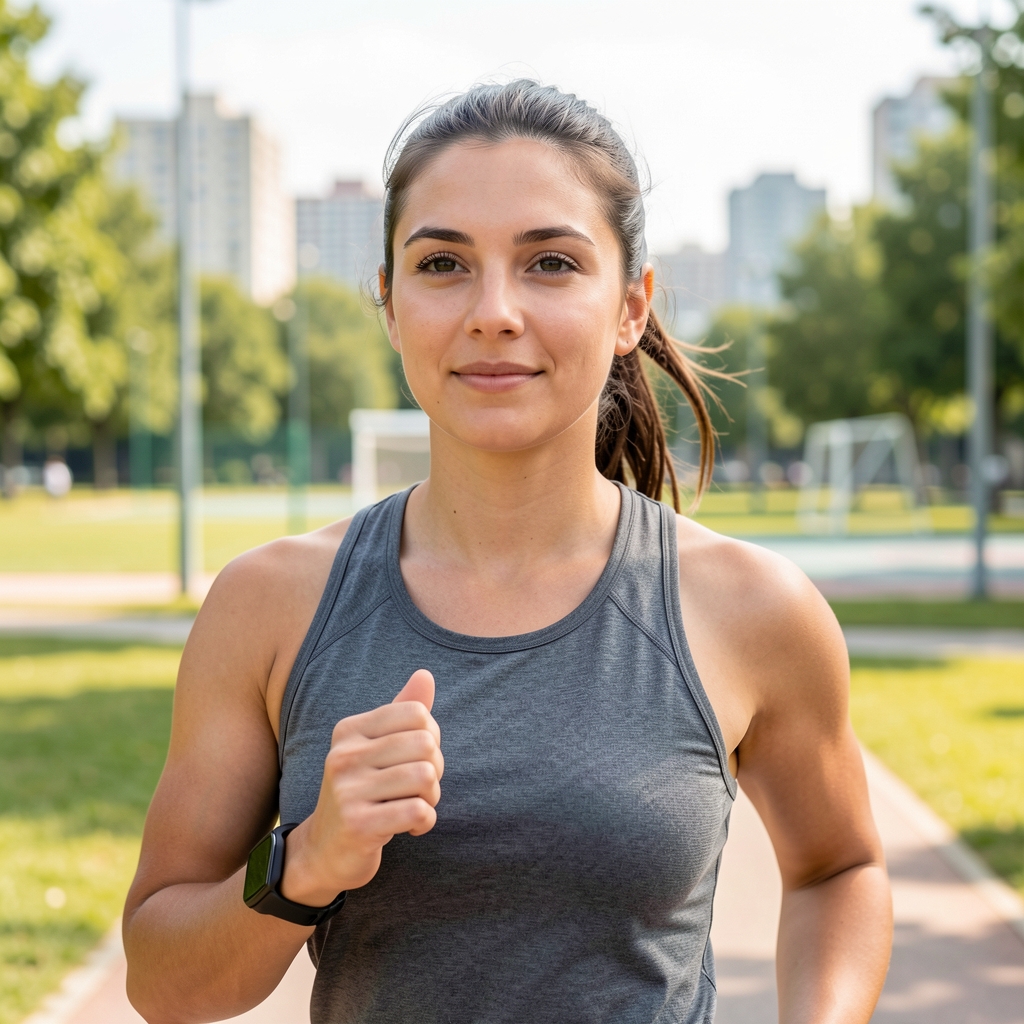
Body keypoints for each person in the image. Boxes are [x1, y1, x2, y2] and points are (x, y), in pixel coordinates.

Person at [123, 81, 891, 1024]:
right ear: (391, 305)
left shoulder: (753, 608)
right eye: (443, 262)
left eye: (552, 263)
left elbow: (840, 868)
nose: (493, 311)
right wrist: (304, 862)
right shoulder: (267, 605)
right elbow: (161, 981)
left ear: (630, 309)